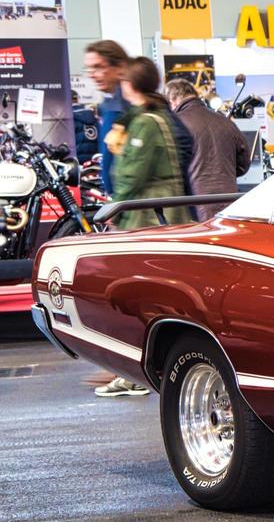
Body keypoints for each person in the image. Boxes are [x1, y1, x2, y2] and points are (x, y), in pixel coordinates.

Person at [96, 58, 189, 398]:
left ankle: (137, 374)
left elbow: (132, 175)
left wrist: (113, 209)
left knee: (139, 298)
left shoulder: (146, 123)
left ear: (129, 85)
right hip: (154, 216)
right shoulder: (154, 117)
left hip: (147, 219)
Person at [166, 79, 248, 196]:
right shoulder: (225, 121)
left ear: (172, 101)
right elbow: (244, 163)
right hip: (227, 199)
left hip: (193, 203)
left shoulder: (175, 123)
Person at [83, 39, 129, 194]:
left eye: (98, 67)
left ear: (119, 67)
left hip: (133, 201)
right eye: (89, 69)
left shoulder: (128, 104)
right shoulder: (108, 103)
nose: (92, 75)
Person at [71, 90, 99, 162]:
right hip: (94, 158)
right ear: (77, 99)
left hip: (78, 160)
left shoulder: (68, 118)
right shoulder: (92, 115)